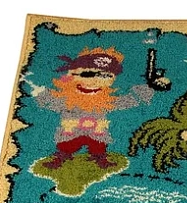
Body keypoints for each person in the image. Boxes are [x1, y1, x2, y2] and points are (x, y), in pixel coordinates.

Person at [26, 47, 155, 169]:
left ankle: (99, 157)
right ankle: (61, 156)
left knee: (98, 142)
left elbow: (123, 102)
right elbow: (55, 102)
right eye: (88, 74)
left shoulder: (105, 99)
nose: (93, 81)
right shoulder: (68, 97)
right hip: (72, 128)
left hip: (96, 129)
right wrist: (41, 94)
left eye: (105, 76)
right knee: (66, 142)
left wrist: (144, 92)